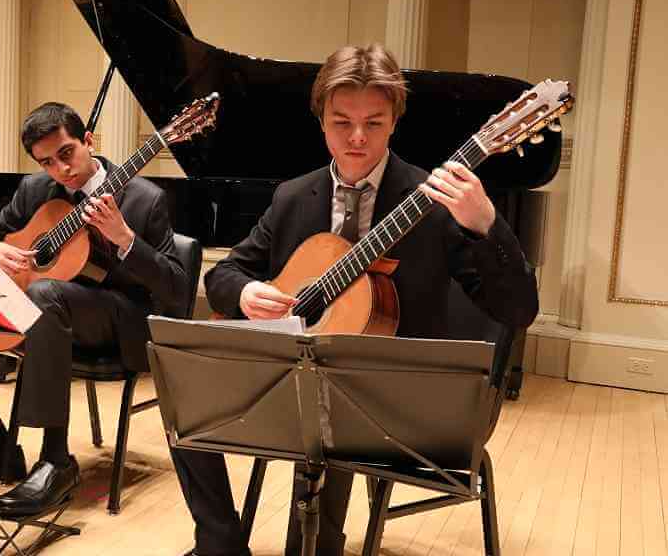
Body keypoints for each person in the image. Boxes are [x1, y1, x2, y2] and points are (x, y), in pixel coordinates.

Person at [169, 44, 539, 556]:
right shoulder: (294, 197)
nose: (358, 137)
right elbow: (228, 274)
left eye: (374, 122)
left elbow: (519, 310)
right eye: (342, 122)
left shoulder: (432, 204)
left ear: (394, 123)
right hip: (301, 382)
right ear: (321, 121)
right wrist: (248, 292)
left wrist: (487, 225)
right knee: (185, 397)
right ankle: (220, 541)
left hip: (394, 393)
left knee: (325, 409)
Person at [0, 102, 187, 519]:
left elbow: (175, 290)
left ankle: (55, 458)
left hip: (120, 325)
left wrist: (124, 238)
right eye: (47, 162)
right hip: (48, 314)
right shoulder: (35, 192)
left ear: (88, 141)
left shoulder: (144, 199)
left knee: (46, 292)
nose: (61, 170)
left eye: (66, 153)